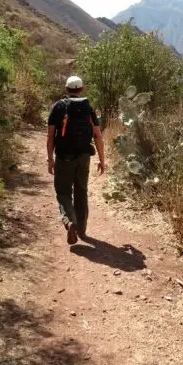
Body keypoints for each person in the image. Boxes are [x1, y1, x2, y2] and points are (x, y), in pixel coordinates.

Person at [47, 75, 106, 245]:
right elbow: (98, 136)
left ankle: (69, 222)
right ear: (81, 90)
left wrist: (50, 159)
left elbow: (50, 136)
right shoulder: (88, 107)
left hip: (64, 157)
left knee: (64, 193)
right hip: (83, 158)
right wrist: (102, 160)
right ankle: (81, 229)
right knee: (81, 192)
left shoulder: (58, 107)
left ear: (66, 89)